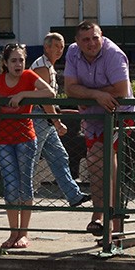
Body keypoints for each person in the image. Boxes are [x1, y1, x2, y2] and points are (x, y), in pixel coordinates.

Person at [63, 21, 134, 238]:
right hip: (93, 116)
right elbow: (69, 88)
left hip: (119, 114)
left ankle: (110, 218)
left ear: (101, 35)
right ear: (77, 41)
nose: (91, 43)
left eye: (95, 37)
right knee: (95, 161)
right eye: (86, 39)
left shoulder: (114, 54)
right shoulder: (73, 53)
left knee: (103, 157)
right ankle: (101, 216)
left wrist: (86, 93)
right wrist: (96, 95)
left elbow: (121, 90)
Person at [0, 44, 58, 249]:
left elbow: (50, 93)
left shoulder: (29, 77)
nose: (18, 64)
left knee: (25, 183)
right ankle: (13, 232)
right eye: (14, 60)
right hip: (4, 139)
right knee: (10, 186)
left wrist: (24, 94)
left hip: (25, 137)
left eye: (21, 60)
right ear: (5, 63)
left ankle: (24, 234)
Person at [30, 32, 90, 209]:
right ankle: (23, 196)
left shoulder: (49, 67)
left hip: (45, 119)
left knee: (60, 157)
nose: (59, 50)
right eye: (56, 46)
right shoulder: (41, 67)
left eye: (62, 46)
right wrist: (56, 121)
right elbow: (44, 99)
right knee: (31, 159)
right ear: (46, 47)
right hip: (39, 117)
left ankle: (74, 195)